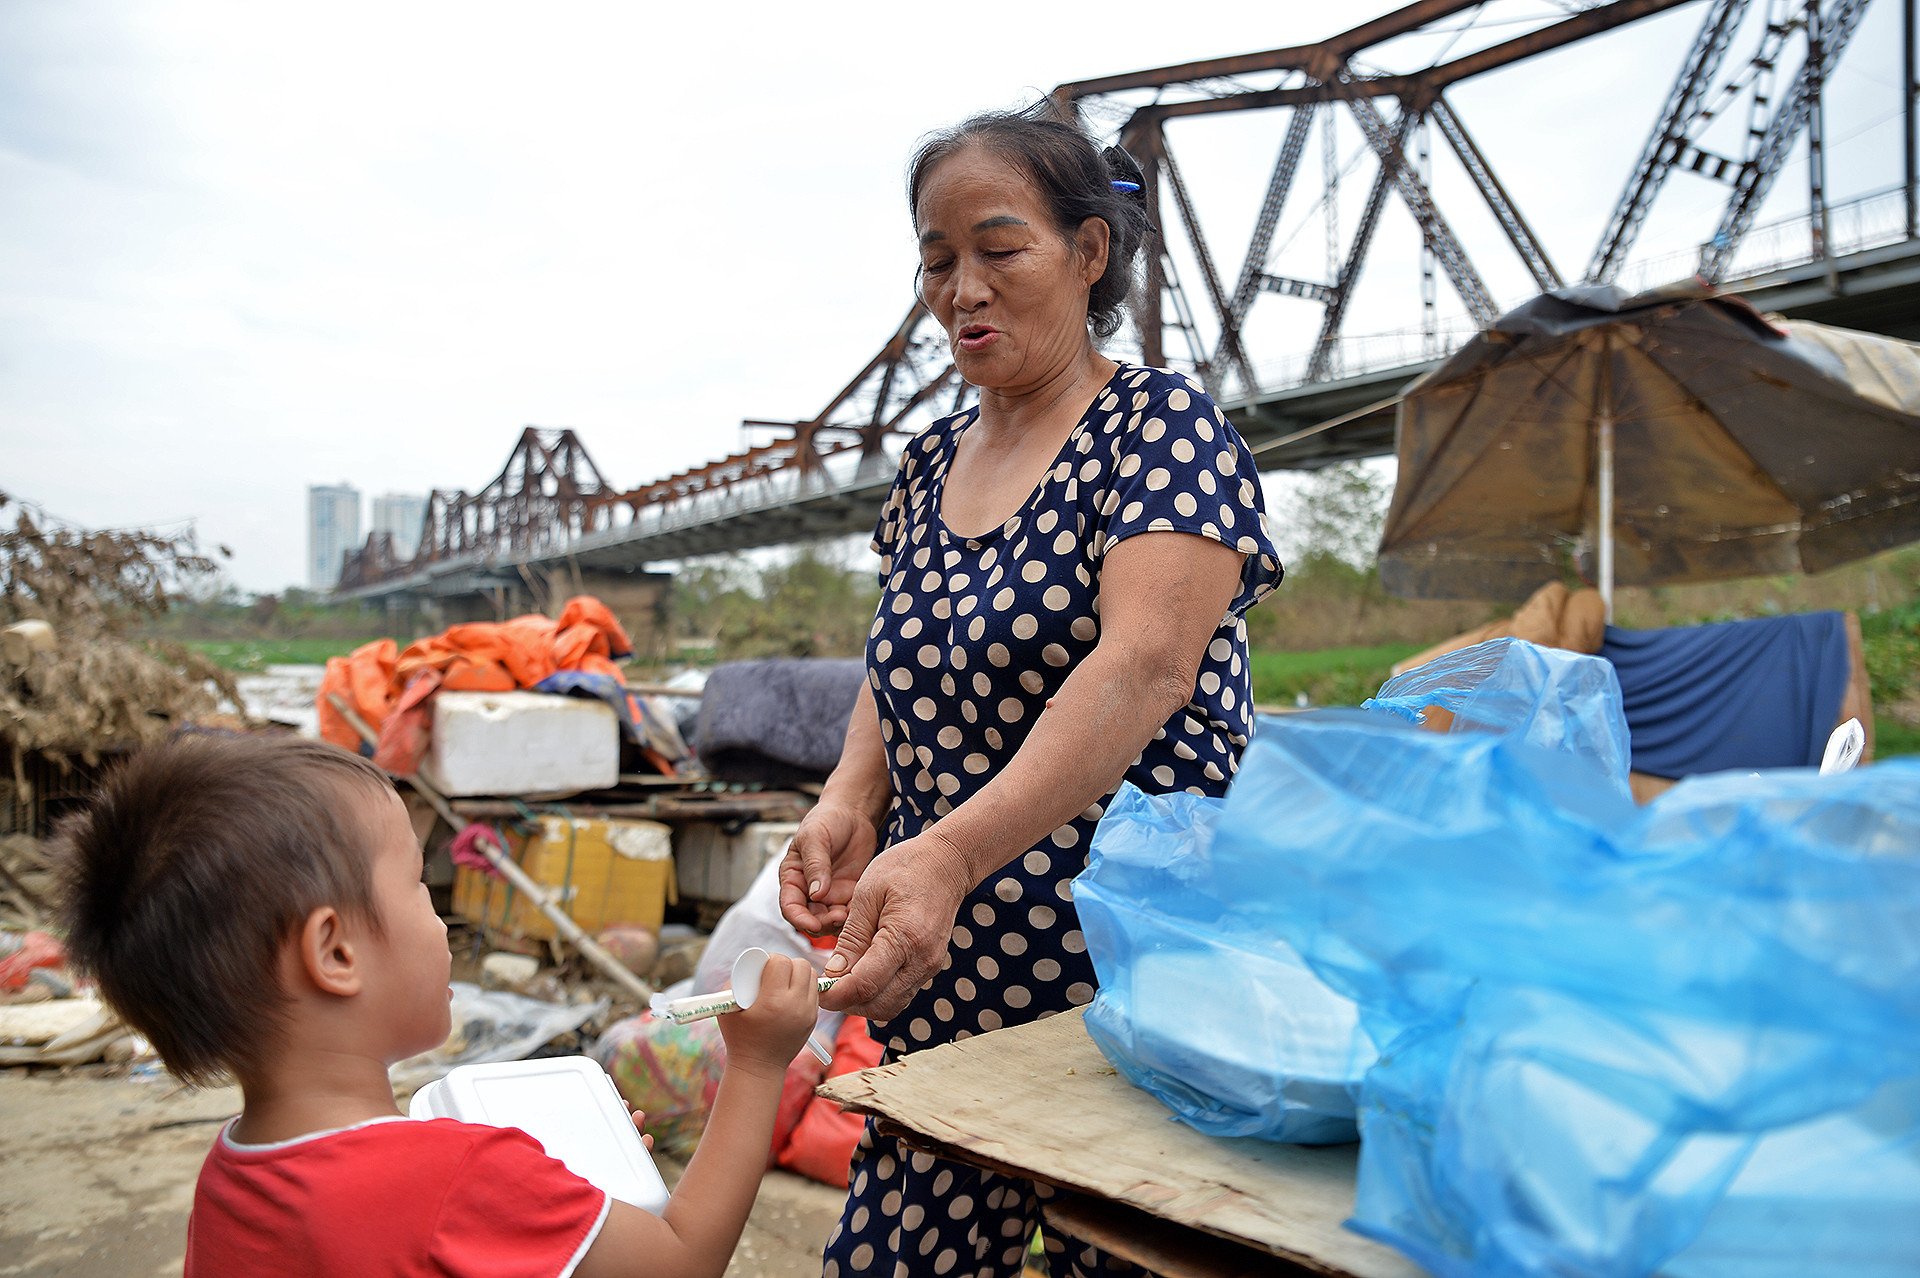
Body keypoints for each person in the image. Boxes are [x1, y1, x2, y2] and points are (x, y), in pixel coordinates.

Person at [778, 103, 1284, 1278]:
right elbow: (903, 644)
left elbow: (1144, 668)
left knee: (1129, 1248)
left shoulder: (1162, 431)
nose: (964, 289)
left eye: (999, 251)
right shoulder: (928, 460)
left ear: (1088, 254)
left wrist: (949, 851)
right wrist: (854, 796)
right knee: (901, 1254)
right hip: (942, 952)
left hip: (1126, 962)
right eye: (938, 260)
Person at [56, 733, 818, 1278]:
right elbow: (682, 1262)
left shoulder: (232, 1175)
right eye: (418, 883)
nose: (440, 918)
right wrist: (755, 1064)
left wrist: (568, 1211)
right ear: (336, 955)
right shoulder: (459, 1175)